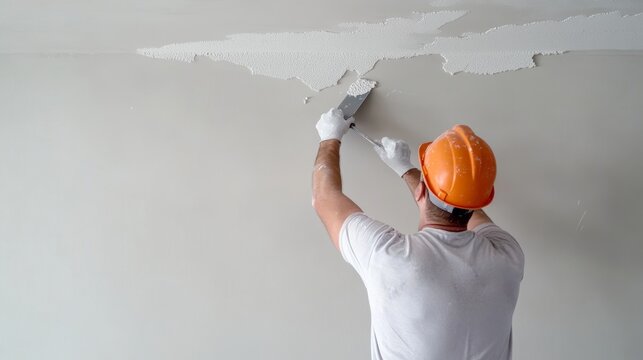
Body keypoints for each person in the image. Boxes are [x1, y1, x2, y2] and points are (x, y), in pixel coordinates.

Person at [312, 108, 524, 360]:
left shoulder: (388, 256)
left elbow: (325, 199)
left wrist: (329, 138)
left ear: (421, 191)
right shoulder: (507, 255)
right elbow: (463, 205)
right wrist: (406, 169)